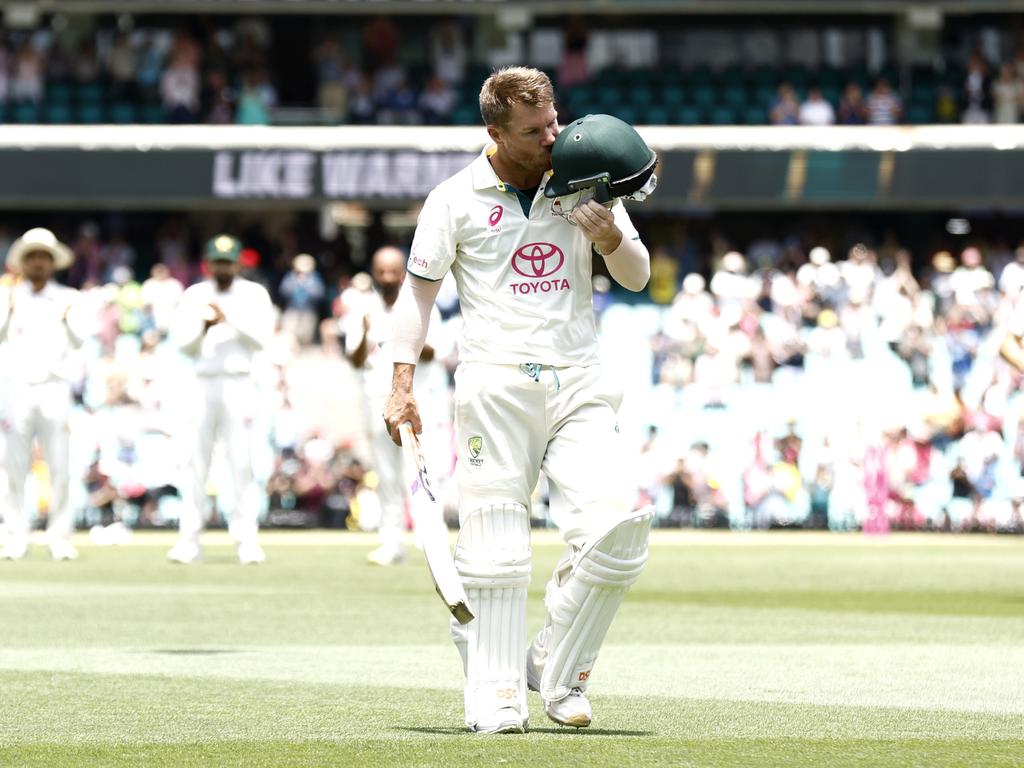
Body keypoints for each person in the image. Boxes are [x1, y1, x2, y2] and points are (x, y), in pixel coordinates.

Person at [382, 67, 654, 734]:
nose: (552, 137)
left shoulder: (585, 178)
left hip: (580, 379)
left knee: (615, 537)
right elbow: (417, 295)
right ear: (495, 131)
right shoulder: (453, 198)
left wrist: (609, 238)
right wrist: (400, 384)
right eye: (535, 131)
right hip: (496, 384)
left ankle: (556, 667)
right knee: (495, 546)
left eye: (554, 121)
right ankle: (497, 690)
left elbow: (638, 275)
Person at [167, 235, 275, 565]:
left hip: (239, 383)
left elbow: (261, 339)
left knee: (241, 463)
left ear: (238, 263)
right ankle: (189, 541)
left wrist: (229, 319)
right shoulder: (195, 294)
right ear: (208, 263)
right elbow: (183, 346)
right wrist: (204, 324)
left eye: (228, 262)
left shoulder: (254, 294)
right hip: (202, 382)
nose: (223, 268)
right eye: (217, 262)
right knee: (194, 463)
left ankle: (246, 541)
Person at [344, 246, 445, 566]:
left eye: (393, 271)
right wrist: (363, 331)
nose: (387, 278)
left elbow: (434, 353)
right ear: (374, 272)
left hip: (416, 398)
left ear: (403, 273)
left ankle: (432, 539)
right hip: (377, 398)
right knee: (386, 475)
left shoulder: (419, 302)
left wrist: (404, 334)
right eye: (382, 271)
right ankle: (391, 543)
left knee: (419, 472)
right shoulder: (362, 306)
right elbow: (355, 360)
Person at [0, 228, 88, 560]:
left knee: (60, 464)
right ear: (23, 262)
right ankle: (14, 535)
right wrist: (7, 309)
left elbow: (80, 340)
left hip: (54, 387)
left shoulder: (68, 297)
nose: (38, 263)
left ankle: (60, 536)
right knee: (12, 466)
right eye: (32, 257)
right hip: (16, 388)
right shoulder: (6, 295)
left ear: (52, 263)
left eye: (43, 257)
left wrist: (66, 320)